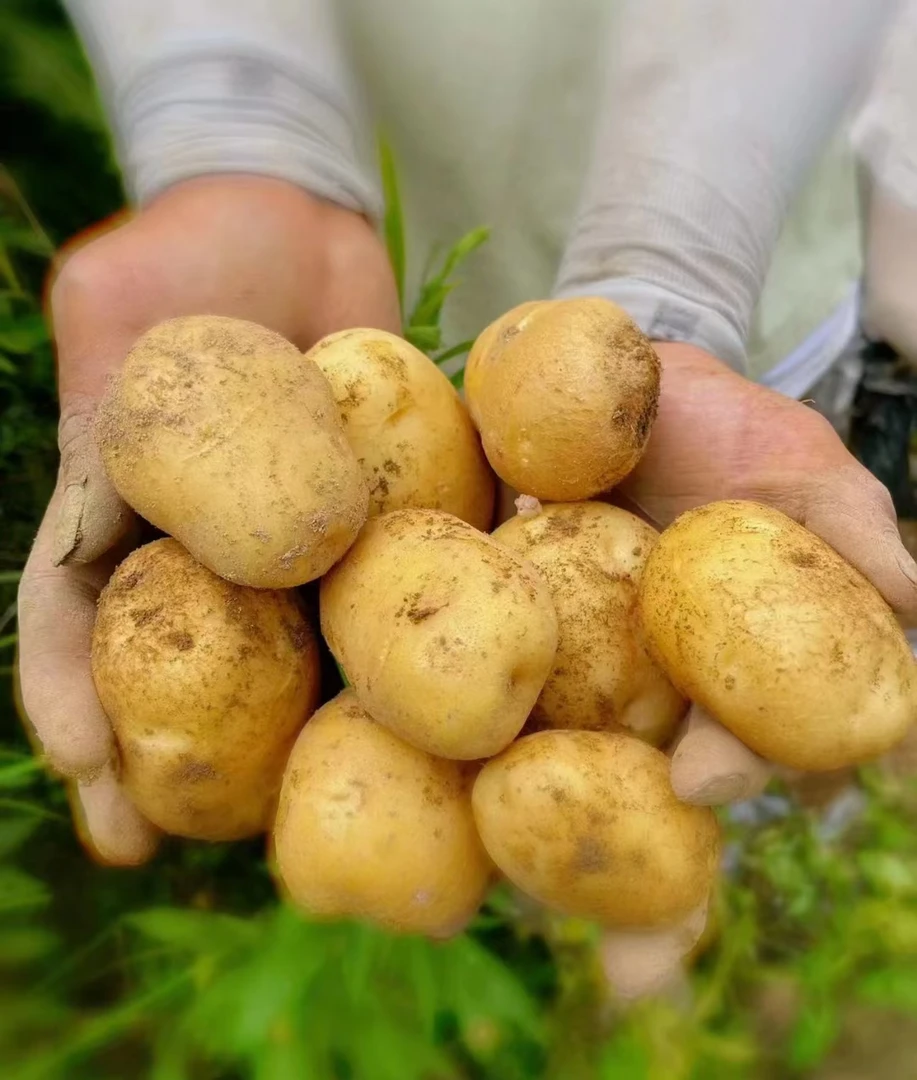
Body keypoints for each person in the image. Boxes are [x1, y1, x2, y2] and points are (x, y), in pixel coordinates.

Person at [16, 0, 917, 997]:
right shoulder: (336, 500)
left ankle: (775, 890)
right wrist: (239, 133)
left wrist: (677, 274)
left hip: (743, 217)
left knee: (712, 772)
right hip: (390, 228)